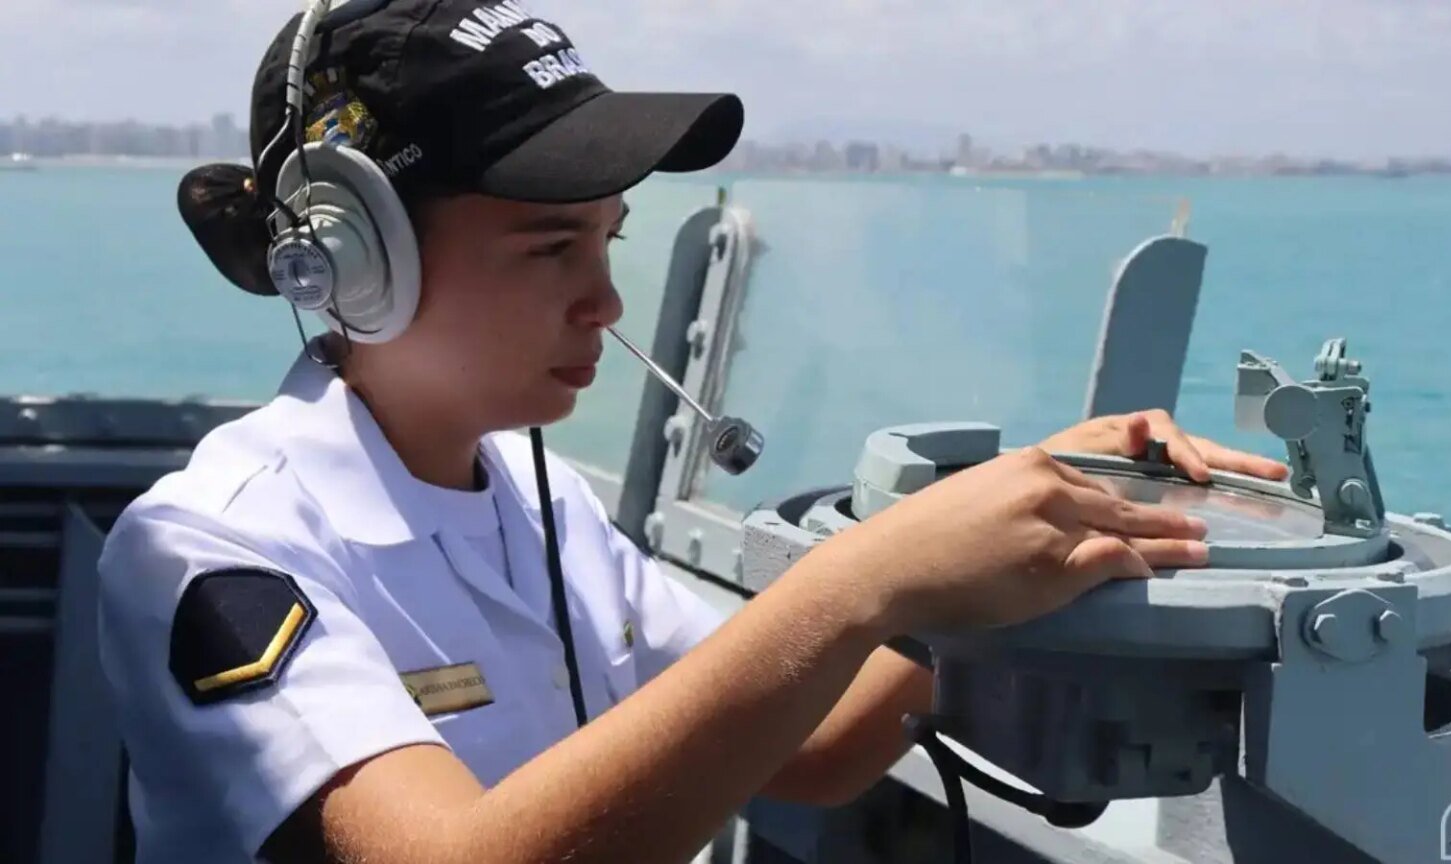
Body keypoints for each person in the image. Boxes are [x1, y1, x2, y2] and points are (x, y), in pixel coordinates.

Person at [96, 3, 1289, 863]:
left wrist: (1016, 546)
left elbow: (807, 746)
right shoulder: (217, 549)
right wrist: (868, 579)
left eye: (608, 242)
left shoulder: (535, 497)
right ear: (354, 257)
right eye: (548, 247)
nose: (604, 304)